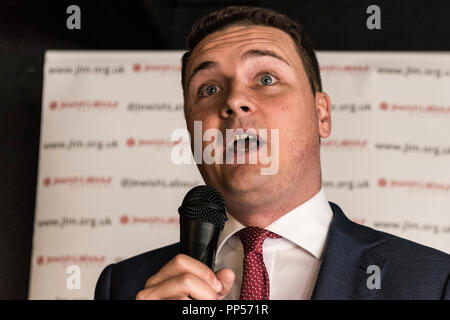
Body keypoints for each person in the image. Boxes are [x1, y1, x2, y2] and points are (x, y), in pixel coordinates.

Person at [95, 6, 450, 300]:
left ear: (321, 114)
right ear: (191, 130)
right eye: (209, 88)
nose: (233, 100)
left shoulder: (433, 283)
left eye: (266, 79)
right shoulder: (125, 287)